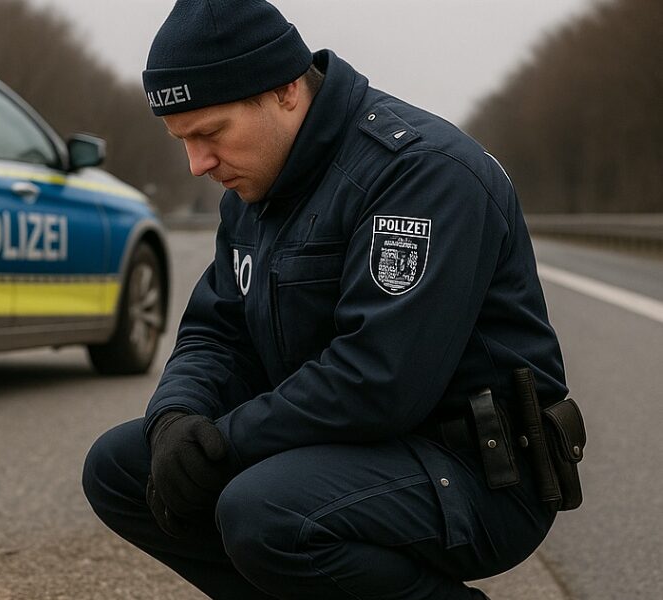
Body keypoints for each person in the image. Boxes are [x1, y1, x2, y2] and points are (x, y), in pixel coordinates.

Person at [83, 1, 576, 598]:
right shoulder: (254, 184)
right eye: (183, 140)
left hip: (477, 470)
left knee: (266, 513)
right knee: (121, 468)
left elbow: (378, 380)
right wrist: (175, 421)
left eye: (210, 134)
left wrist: (225, 444)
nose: (197, 164)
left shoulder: (419, 174)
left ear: (286, 90)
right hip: (346, 448)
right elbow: (216, 330)